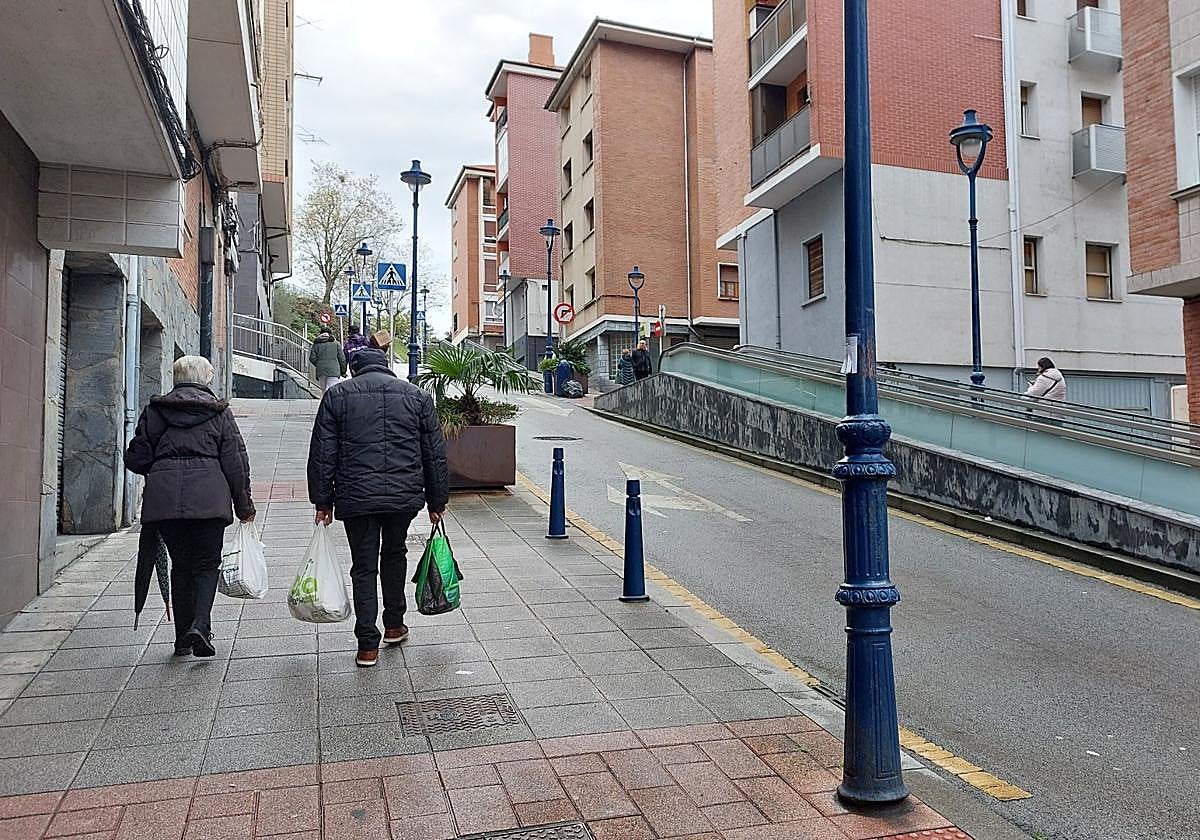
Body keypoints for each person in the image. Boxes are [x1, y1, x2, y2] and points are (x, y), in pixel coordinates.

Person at [307, 346, 449, 667]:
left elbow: (322, 454)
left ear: (354, 369)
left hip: (356, 496)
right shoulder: (417, 398)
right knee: (395, 553)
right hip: (402, 496)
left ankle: (366, 644)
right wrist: (437, 501)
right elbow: (434, 455)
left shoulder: (338, 397)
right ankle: (395, 625)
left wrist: (322, 501)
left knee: (363, 565)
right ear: (386, 366)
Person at [124, 355, 255, 658]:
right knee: (207, 565)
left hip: (165, 503)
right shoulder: (219, 413)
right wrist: (244, 506)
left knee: (181, 566)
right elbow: (236, 463)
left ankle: (182, 639)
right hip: (209, 502)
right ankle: (201, 625)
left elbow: (137, 458)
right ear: (206, 378)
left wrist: (161, 468)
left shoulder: (155, 412)